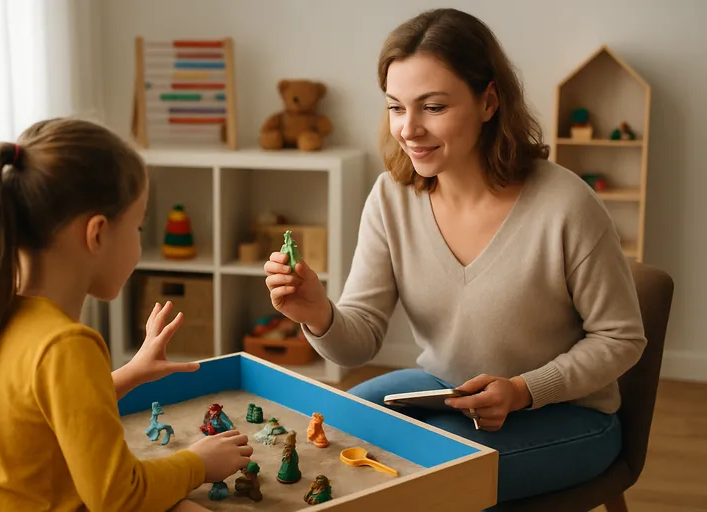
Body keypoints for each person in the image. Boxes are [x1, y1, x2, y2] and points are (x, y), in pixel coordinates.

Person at [265, 8, 646, 506]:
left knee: (418, 481)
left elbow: (622, 338)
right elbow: (358, 341)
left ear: (489, 101)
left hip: (567, 414)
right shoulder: (391, 197)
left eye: (434, 107)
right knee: (326, 435)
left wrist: (524, 390)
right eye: (396, 107)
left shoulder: (566, 204)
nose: (409, 129)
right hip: (443, 389)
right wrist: (317, 313)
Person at [0, 118, 253, 511]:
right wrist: (197, 463)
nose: (140, 242)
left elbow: (43, 414)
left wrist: (132, 373)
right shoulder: (68, 344)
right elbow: (119, 497)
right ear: (97, 233)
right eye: (138, 227)